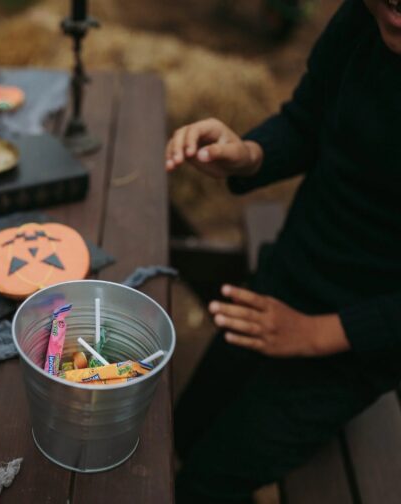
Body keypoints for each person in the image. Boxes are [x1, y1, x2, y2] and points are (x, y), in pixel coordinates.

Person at [165, 0, 401, 502]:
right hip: (290, 275)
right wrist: (249, 155)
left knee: (204, 485)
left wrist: (316, 334)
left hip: (365, 343)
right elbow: (306, 121)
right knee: (184, 431)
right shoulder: (359, 21)